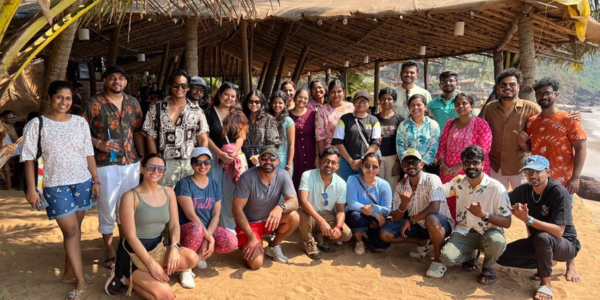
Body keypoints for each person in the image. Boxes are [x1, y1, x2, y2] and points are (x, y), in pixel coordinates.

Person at [21, 81, 100, 300]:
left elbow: (88, 153)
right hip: (54, 185)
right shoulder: (37, 125)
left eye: (68, 98)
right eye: (59, 97)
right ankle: (81, 281)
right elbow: (28, 158)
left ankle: (68, 273)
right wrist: (32, 189)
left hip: (82, 182)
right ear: (49, 98)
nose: (64, 102)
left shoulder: (79, 123)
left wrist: (95, 180)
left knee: (75, 230)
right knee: (71, 231)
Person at [105, 154, 198, 298]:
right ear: (142, 168)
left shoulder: (169, 192)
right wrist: (151, 264)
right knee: (166, 296)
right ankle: (123, 278)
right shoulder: (130, 196)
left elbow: (174, 225)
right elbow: (130, 236)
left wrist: (174, 247)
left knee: (192, 258)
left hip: (157, 247)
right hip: (134, 253)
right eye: (151, 167)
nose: (156, 171)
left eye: (160, 168)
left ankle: (143, 277)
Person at [82, 65, 144, 271]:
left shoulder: (133, 102)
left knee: (127, 208)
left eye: (121, 78)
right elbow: (80, 132)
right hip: (105, 164)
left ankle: (124, 246)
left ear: (126, 81)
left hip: (131, 163)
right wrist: (98, 144)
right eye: (112, 78)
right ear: (106, 81)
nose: (117, 81)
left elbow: (137, 131)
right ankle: (109, 248)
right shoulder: (94, 103)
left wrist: (142, 157)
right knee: (107, 207)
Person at [497, 155, 580, 300]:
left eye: (537, 171)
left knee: (543, 237)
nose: (532, 176)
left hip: (565, 244)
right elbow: (500, 200)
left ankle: (546, 283)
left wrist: (528, 219)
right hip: (539, 242)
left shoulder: (559, 193)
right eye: (528, 172)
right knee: (501, 256)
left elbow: (559, 231)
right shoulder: (524, 190)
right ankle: (546, 262)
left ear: (548, 172)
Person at [440, 145, 512, 284]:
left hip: (489, 231)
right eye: (466, 163)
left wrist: (484, 215)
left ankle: (487, 266)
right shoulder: (459, 182)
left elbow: (507, 222)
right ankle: (471, 255)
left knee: (496, 242)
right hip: (464, 231)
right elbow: (438, 192)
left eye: (475, 162)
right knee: (447, 258)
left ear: (483, 164)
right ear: (462, 165)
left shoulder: (496, 188)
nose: (471, 166)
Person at [379, 149, 454, 278]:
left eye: (414, 162)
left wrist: (411, 220)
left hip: (441, 223)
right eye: (407, 163)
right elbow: (396, 218)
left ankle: (438, 260)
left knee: (431, 219)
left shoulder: (432, 179)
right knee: (385, 234)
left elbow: (434, 208)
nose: (411, 166)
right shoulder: (401, 186)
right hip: (419, 224)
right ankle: (423, 242)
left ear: (422, 164)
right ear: (402, 166)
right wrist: (404, 204)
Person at [514, 77, 587, 196]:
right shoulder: (532, 121)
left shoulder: (569, 119)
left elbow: (581, 149)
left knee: (561, 214)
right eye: (540, 94)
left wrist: (575, 178)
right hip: (538, 180)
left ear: (556, 95)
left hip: (563, 181)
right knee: (538, 212)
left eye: (547, 93)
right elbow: (532, 148)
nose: (543, 97)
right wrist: (522, 143)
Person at [232, 146, 300, 269]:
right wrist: (252, 237)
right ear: (259, 159)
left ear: (278, 161)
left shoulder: (283, 175)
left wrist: (280, 208)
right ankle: (252, 241)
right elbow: (236, 210)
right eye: (264, 157)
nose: (268, 161)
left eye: (272, 158)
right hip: (250, 224)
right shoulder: (247, 178)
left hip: (269, 220)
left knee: (294, 216)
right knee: (256, 264)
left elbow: (294, 202)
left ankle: (273, 246)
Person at [175, 147, 237, 277]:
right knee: (197, 228)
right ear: (192, 164)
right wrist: (209, 238)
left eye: (207, 162)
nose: (203, 166)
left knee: (232, 241)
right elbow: (190, 215)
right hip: (188, 229)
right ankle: (185, 268)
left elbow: (216, 214)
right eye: (198, 162)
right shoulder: (184, 184)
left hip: (207, 228)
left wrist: (206, 237)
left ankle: (200, 254)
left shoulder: (214, 184)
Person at [143, 69, 209, 188]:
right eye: (176, 85)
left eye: (184, 86)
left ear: (188, 87)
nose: (180, 89)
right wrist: (155, 160)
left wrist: (199, 162)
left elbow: (203, 138)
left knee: (188, 201)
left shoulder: (196, 111)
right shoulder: (157, 109)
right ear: (170, 86)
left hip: (189, 163)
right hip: (164, 163)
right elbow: (150, 135)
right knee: (164, 200)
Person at [481, 68, 540, 190]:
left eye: (512, 84)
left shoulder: (530, 108)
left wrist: (569, 116)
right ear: (498, 88)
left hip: (520, 167)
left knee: (522, 203)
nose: (508, 87)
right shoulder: (490, 108)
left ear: (518, 86)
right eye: (504, 84)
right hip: (495, 167)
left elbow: (548, 119)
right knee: (499, 204)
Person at [436, 93, 492, 218]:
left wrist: (461, 166)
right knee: (450, 206)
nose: (460, 106)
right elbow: (442, 146)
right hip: (449, 173)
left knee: (471, 205)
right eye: (457, 104)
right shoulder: (449, 124)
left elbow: (483, 150)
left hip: (472, 172)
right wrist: (443, 166)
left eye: (464, 103)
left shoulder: (481, 124)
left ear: (471, 105)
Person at [205, 83, 249, 231]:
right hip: (214, 157)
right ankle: (212, 227)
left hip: (232, 158)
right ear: (219, 95)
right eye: (226, 95)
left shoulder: (238, 114)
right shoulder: (208, 113)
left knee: (231, 192)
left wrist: (234, 152)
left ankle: (228, 228)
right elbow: (205, 137)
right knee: (214, 190)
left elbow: (241, 136)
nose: (229, 98)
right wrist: (220, 153)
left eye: (233, 96)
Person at [298, 147, 352, 259]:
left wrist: (338, 227)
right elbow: (303, 201)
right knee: (302, 213)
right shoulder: (308, 175)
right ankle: (308, 242)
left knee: (346, 234)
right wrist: (321, 221)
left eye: (333, 163)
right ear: (320, 161)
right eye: (326, 161)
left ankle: (320, 234)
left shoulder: (341, 184)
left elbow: (341, 211)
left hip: (327, 215)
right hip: (310, 214)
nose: (329, 165)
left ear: (337, 167)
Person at [345, 153, 392, 254]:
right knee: (355, 216)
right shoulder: (352, 179)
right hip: (358, 215)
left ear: (379, 169)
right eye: (367, 165)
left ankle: (366, 234)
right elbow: (351, 203)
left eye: (375, 166)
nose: (370, 169)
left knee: (381, 245)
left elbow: (387, 209)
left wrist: (373, 207)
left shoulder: (384, 185)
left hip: (374, 221)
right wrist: (373, 212)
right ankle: (359, 241)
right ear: (361, 165)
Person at [332, 91, 381, 181]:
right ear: (353, 103)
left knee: (365, 188)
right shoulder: (344, 119)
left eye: (364, 101)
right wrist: (350, 161)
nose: (361, 103)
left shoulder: (374, 120)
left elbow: (375, 143)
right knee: (346, 188)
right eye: (358, 100)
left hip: (366, 162)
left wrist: (362, 160)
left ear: (369, 103)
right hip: (346, 162)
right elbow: (338, 141)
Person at [396, 94, 440, 174]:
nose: (415, 108)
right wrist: (407, 163)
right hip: (408, 167)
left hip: (428, 166)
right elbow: (400, 146)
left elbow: (434, 146)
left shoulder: (433, 125)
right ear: (409, 108)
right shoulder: (403, 125)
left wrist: (422, 163)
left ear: (425, 106)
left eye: (419, 105)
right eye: (412, 105)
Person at [315, 79, 355, 159]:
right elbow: (320, 137)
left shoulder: (352, 108)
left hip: (352, 153)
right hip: (332, 156)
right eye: (333, 92)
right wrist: (323, 157)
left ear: (343, 92)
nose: (336, 94)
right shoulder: (322, 111)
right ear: (328, 93)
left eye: (339, 91)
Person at [375, 87, 404, 190]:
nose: (386, 101)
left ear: (394, 101)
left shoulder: (400, 119)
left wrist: (398, 161)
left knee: (392, 187)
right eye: (383, 98)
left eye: (389, 98)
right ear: (379, 100)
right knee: (377, 186)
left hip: (393, 157)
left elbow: (402, 141)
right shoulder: (373, 118)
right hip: (377, 157)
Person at [241, 90, 280, 167]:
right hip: (244, 155)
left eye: (257, 102)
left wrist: (260, 155)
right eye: (251, 101)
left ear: (262, 103)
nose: (254, 104)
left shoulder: (268, 118)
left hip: (262, 156)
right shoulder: (243, 117)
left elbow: (274, 142)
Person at [289, 88, 318, 190]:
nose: (302, 100)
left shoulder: (313, 114)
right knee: (295, 175)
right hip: (294, 151)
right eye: (300, 97)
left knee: (310, 176)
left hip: (310, 150)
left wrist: (317, 156)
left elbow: (318, 136)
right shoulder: (287, 115)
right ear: (295, 98)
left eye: (305, 98)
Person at [268, 91, 295, 174]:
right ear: (271, 104)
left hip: (283, 161)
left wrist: (288, 165)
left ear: (285, 104)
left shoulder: (288, 121)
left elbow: (291, 145)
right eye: (275, 103)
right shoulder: (267, 119)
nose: (277, 105)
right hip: (268, 160)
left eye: (280, 103)